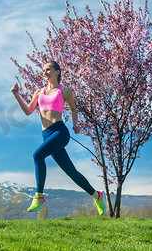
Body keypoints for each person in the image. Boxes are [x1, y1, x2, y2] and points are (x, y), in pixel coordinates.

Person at [11, 60, 105, 215]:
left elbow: (74, 109)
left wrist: (75, 125)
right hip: (46, 135)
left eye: (48, 70)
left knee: (37, 155)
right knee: (71, 172)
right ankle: (97, 195)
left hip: (60, 132)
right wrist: (16, 95)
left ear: (57, 72)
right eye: (43, 71)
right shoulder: (39, 92)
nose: (45, 73)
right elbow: (28, 111)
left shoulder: (64, 91)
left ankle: (39, 196)